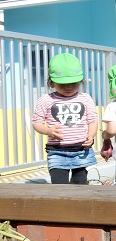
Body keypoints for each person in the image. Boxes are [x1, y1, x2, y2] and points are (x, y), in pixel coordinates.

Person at [32, 53, 98, 184]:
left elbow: (92, 120)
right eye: (63, 84)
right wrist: (48, 131)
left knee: (80, 184)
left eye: (73, 83)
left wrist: (91, 135)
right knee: (59, 186)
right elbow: (36, 122)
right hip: (57, 152)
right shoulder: (46, 100)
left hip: (81, 150)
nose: (68, 87)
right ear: (52, 82)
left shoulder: (85, 98)